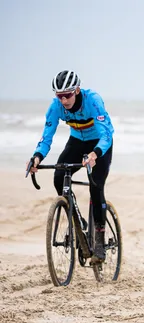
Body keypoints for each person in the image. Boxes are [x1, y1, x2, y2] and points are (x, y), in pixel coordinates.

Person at [26, 70, 114, 263]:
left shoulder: (93, 100)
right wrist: (37, 156)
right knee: (59, 177)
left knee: (96, 186)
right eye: (59, 96)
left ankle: (99, 240)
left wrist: (95, 154)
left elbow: (106, 134)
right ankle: (78, 221)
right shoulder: (55, 106)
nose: (64, 100)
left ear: (77, 90)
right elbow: (46, 136)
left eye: (67, 95)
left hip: (100, 144)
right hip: (77, 141)